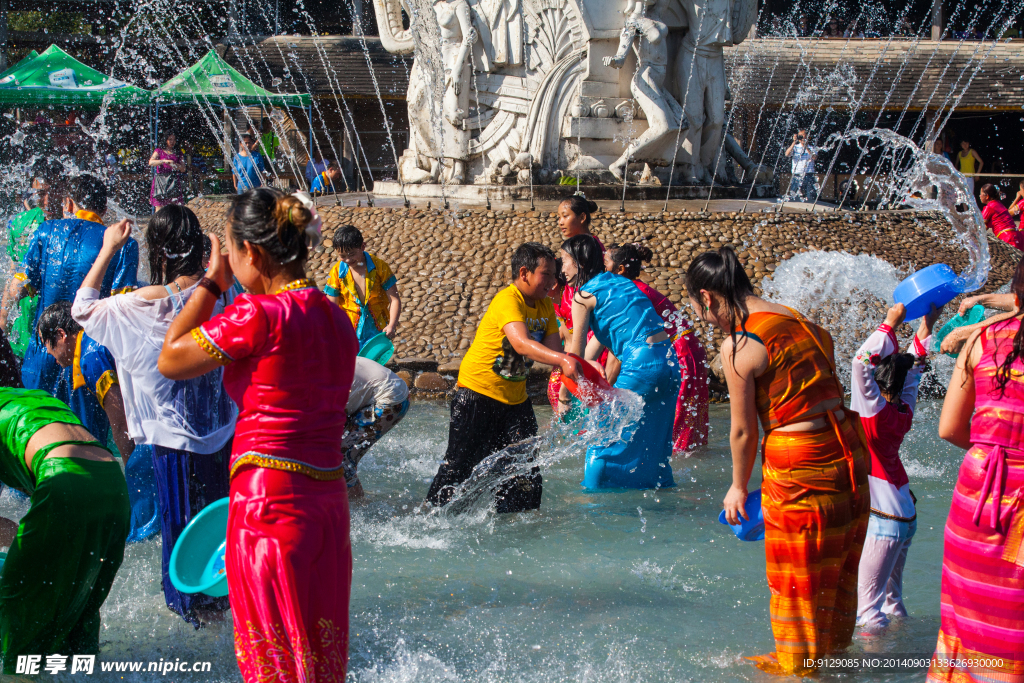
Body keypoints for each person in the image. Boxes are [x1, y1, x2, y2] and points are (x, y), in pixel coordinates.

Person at [158, 187, 356, 681]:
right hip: (328, 504)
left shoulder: (258, 316)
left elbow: (171, 357)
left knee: (273, 663)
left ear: (252, 253)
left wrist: (210, 281)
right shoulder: (337, 319)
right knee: (320, 658)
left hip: (267, 503)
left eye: (229, 250)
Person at [686, 247, 869, 675]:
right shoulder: (800, 320)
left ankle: (798, 666)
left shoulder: (741, 346)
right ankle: (832, 657)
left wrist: (736, 485)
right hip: (849, 455)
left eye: (700, 309)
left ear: (709, 297)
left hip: (800, 464)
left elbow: (743, 431)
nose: (705, 319)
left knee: (796, 573)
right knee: (839, 564)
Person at [72, 207, 238, 625]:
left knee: (180, 531)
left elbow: (83, 308)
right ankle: (223, 612)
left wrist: (109, 247)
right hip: (224, 436)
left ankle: (188, 620)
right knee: (221, 531)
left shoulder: (140, 306)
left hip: (173, 443)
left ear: (157, 253)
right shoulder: (223, 295)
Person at [426, 242, 576, 512]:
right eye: (547, 275)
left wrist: (582, 365)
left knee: (525, 471)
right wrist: (564, 359)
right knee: (459, 467)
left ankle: (516, 529)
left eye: (555, 275)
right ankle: (429, 519)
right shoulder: (508, 299)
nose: (553, 281)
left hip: (515, 403)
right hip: (476, 395)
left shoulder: (544, 307)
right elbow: (521, 344)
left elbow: (555, 354)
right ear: (524, 273)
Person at [929, 258, 1024, 683]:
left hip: (976, 489)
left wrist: (992, 446)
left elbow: (949, 428)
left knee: (967, 617)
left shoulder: (983, 339)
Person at [0, 388, 129, 674]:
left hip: (65, 478)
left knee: (16, 607)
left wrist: (22, 541)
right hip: (115, 486)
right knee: (79, 609)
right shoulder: (30, 398)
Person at [558, 235, 679, 489]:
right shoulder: (621, 283)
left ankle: (589, 496)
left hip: (641, 365)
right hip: (669, 362)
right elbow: (594, 349)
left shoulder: (582, 297)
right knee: (655, 442)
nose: (562, 269)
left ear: (579, 262)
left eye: (565, 262)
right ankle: (661, 493)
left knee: (603, 439)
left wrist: (564, 399)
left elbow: (575, 358)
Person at [851, 302, 940, 634]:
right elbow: (914, 370)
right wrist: (927, 323)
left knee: (868, 614)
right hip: (905, 512)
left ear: (877, 383)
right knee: (892, 603)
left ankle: (881, 671)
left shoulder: (871, 413)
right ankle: (906, 659)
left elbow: (860, 364)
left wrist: (889, 325)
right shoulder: (904, 409)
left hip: (884, 517)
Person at [16, 174, 138, 397]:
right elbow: (124, 309)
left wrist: (4, 317)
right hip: (89, 362)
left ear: (69, 203)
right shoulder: (125, 244)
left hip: (43, 353)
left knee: (39, 423)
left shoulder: (46, 231)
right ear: (104, 208)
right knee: (86, 432)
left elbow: (20, 284)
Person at [604, 242, 709, 454]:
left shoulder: (628, 294)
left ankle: (681, 475)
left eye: (605, 263)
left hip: (681, 352)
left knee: (678, 426)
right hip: (687, 349)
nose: (601, 269)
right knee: (688, 430)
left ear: (620, 269)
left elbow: (618, 352)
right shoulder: (636, 288)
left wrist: (605, 390)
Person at [35, 302, 131, 456]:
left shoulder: (91, 357)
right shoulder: (92, 338)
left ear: (61, 335)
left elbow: (121, 425)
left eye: (46, 342)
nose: (47, 350)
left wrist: (129, 473)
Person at [550, 196, 604, 408]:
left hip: (592, 338)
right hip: (573, 337)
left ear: (582, 217)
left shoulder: (595, 253)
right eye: (558, 217)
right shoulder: (570, 255)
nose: (560, 222)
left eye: (565, 216)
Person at [343, 357, 410, 499]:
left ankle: (357, 510)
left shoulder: (312, 378)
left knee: (341, 459)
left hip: (389, 400)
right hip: (394, 392)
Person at [326, 225, 402, 347]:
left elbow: (394, 299)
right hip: (347, 331)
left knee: (375, 364)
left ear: (362, 246)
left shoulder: (380, 267)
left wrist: (392, 325)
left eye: (351, 254)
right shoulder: (336, 273)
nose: (347, 260)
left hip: (377, 330)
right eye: (342, 256)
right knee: (352, 365)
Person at [2, 184, 48, 357]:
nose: (47, 201)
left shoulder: (78, 229)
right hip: (24, 334)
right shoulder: (21, 224)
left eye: (51, 193)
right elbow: (14, 272)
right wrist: (3, 318)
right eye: (41, 194)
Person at [979, 183, 1024, 250]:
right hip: (1017, 236)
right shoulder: (999, 204)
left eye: (981, 194)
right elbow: (985, 226)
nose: (979, 196)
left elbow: (980, 225)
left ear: (987, 196)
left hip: (1007, 237)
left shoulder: (989, 207)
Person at [149, 132, 186, 209]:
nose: (172, 142)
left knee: (174, 207)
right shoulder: (159, 151)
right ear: (165, 140)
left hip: (173, 181)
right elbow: (151, 162)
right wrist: (164, 161)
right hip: (161, 181)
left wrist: (176, 165)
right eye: (170, 139)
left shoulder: (178, 152)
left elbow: (183, 169)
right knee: (159, 207)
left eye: (174, 140)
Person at [785, 129, 817, 202]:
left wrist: (806, 146)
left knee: (810, 196)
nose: (802, 138)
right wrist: (793, 142)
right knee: (794, 196)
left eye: (804, 136)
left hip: (809, 174)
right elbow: (787, 154)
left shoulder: (812, 148)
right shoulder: (795, 147)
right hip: (797, 174)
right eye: (800, 137)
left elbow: (814, 157)